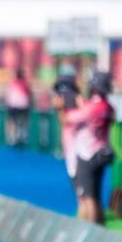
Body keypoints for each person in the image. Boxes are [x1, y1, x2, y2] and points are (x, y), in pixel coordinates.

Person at [64, 72, 115, 224]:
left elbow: (67, 119)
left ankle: (92, 229)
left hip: (87, 154)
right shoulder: (109, 108)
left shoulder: (91, 108)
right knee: (96, 196)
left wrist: (69, 105)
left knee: (88, 197)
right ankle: (100, 228)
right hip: (101, 152)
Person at [53, 64, 82, 216]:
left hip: (79, 143)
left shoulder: (78, 99)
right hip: (69, 142)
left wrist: (62, 108)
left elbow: (67, 119)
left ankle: (83, 208)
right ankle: (81, 207)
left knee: (79, 177)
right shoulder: (64, 98)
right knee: (74, 176)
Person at [5, 69, 31, 147]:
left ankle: (12, 139)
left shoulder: (12, 84)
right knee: (23, 121)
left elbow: (8, 96)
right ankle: (23, 136)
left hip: (14, 106)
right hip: (23, 106)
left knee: (12, 122)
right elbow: (29, 95)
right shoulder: (25, 84)